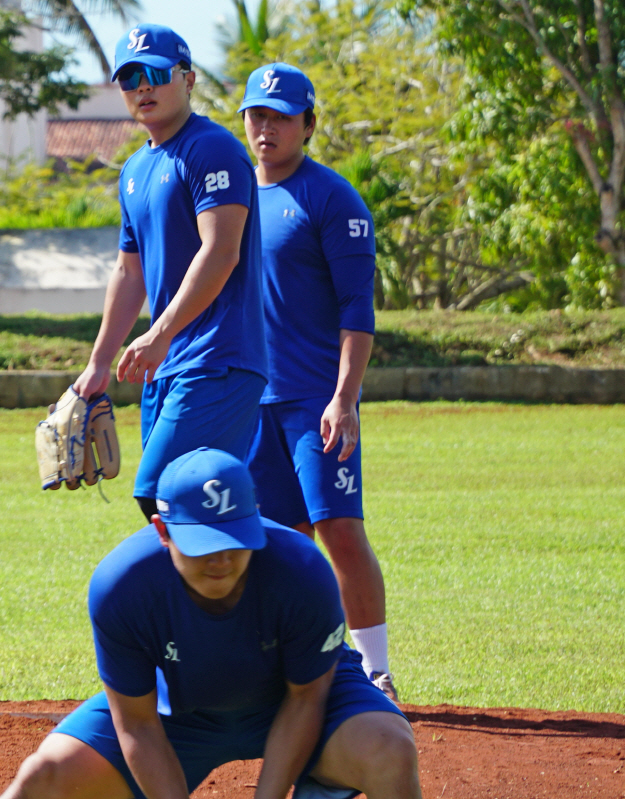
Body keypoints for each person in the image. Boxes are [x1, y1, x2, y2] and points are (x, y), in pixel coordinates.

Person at [0, 448, 421, 799]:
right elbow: (138, 724)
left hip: (297, 702)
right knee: (40, 780)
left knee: (390, 749)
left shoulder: (302, 570)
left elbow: (307, 698)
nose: (221, 559)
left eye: (235, 539)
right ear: (162, 531)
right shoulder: (122, 585)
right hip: (178, 715)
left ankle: (320, 778)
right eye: (203, 543)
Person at [237, 63, 396, 700]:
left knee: (338, 528)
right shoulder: (234, 197)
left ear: (308, 124)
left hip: (314, 401)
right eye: (256, 114)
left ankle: (376, 668)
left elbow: (358, 307)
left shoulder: (332, 198)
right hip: (251, 400)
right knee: (270, 543)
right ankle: (292, 669)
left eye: (279, 116)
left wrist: (345, 397)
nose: (266, 127)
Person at [71, 24, 267, 523]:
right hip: (169, 364)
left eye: (156, 73)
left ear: (188, 79)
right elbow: (129, 272)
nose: (143, 87)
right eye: (130, 77)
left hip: (219, 357)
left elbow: (221, 252)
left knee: (162, 494)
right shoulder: (134, 169)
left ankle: (271, 594)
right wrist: (97, 365)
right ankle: (235, 597)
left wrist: (158, 334)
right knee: (184, 510)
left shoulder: (212, 148)